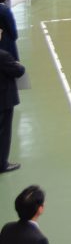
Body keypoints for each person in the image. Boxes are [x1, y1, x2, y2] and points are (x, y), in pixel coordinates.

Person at [0, 44, 25, 173]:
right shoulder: (3, 55)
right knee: (4, 132)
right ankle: (2, 164)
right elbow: (18, 71)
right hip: (4, 100)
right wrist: (19, 66)